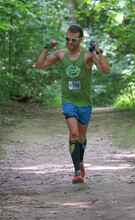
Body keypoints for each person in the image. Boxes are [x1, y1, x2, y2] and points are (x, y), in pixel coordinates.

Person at [35, 25, 110, 184]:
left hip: (85, 102)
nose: (69, 42)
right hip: (68, 101)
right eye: (67, 39)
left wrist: (98, 51)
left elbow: (105, 70)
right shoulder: (61, 54)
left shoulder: (88, 55)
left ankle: (80, 164)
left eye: (73, 40)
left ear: (80, 40)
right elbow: (39, 65)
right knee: (74, 133)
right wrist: (47, 47)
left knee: (81, 137)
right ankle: (77, 171)